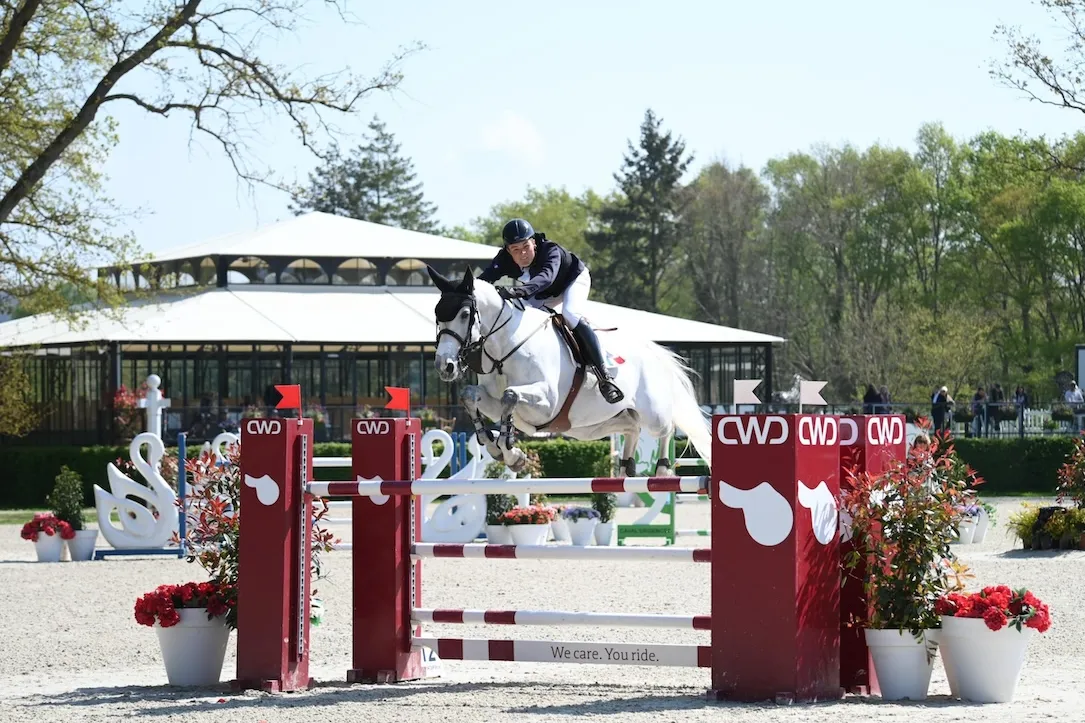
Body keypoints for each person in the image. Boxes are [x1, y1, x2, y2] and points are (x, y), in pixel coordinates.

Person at [478, 218, 624, 403]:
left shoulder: (550, 250)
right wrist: (463, 292)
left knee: (570, 315)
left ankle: (605, 377)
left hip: (572, 281)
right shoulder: (503, 260)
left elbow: (545, 278)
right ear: (508, 250)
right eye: (516, 249)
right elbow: (483, 280)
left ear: (534, 242)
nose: (523, 253)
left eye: (526, 246)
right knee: (521, 317)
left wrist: (517, 291)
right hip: (543, 293)